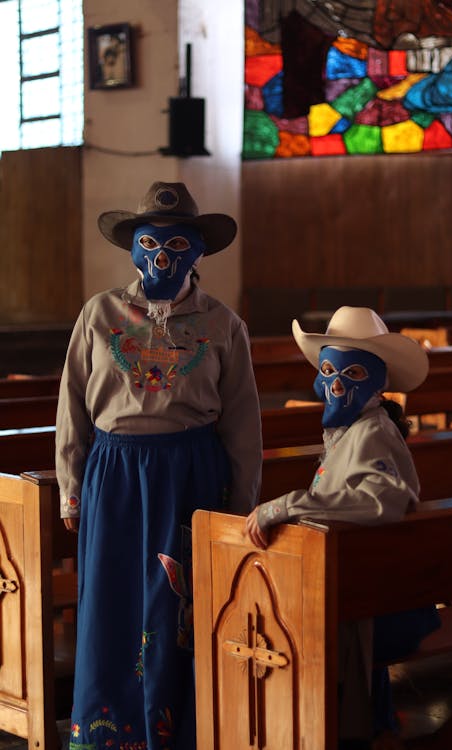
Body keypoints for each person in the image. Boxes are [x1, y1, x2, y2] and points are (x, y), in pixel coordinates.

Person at [56, 181, 262, 750]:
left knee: (175, 610)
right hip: (114, 475)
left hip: (188, 476)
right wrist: (72, 488)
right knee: (110, 602)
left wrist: (239, 506)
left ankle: (173, 732)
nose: (161, 256)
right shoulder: (99, 314)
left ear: (199, 252)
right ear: (132, 250)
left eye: (177, 244)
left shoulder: (223, 324)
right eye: (149, 243)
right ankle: (107, 732)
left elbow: (243, 423)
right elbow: (71, 403)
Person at [246, 306, 440, 750]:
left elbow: (379, 500)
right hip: (364, 590)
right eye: (329, 369)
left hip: (383, 605)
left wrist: (285, 507)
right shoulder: (353, 429)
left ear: (376, 383)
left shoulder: (372, 432)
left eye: (352, 373)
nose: (336, 383)